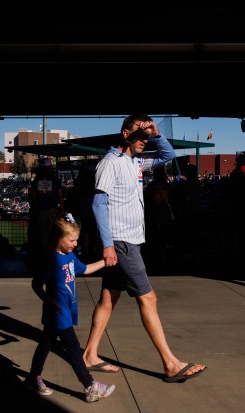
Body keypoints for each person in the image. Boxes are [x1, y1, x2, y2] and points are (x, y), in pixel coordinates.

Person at [82, 114, 207, 383]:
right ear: (125, 134)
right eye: (140, 135)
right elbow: (98, 205)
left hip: (130, 240)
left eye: (147, 135)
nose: (145, 139)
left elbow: (168, 154)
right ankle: (170, 364)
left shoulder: (136, 162)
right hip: (121, 241)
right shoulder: (110, 163)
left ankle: (90, 354)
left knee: (108, 298)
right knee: (148, 299)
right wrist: (107, 245)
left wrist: (154, 132)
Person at [27, 213, 115, 403]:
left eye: (77, 240)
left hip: (64, 310)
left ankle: (33, 377)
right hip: (58, 313)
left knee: (45, 344)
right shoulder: (51, 260)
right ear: (59, 238)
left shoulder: (70, 256)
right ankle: (90, 386)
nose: (76, 244)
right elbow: (36, 284)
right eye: (72, 240)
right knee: (74, 349)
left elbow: (86, 269)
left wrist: (106, 261)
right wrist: (49, 301)